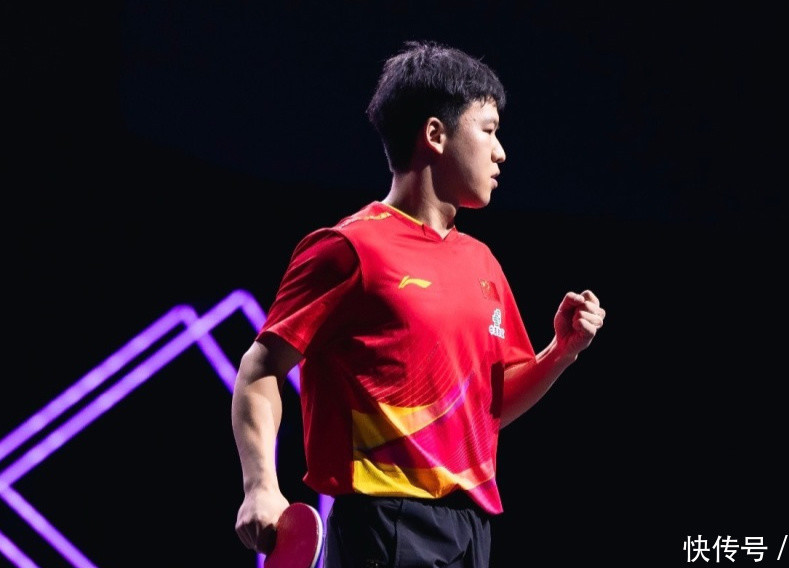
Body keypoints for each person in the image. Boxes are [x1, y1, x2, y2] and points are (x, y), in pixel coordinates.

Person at [231, 39, 605, 568]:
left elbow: (489, 409)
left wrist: (559, 353)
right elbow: (260, 369)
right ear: (435, 135)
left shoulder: (482, 263)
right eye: (489, 130)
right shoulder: (349, 248)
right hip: (387, 521)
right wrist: (260, 487)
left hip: (472, 525)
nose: (501, 152)